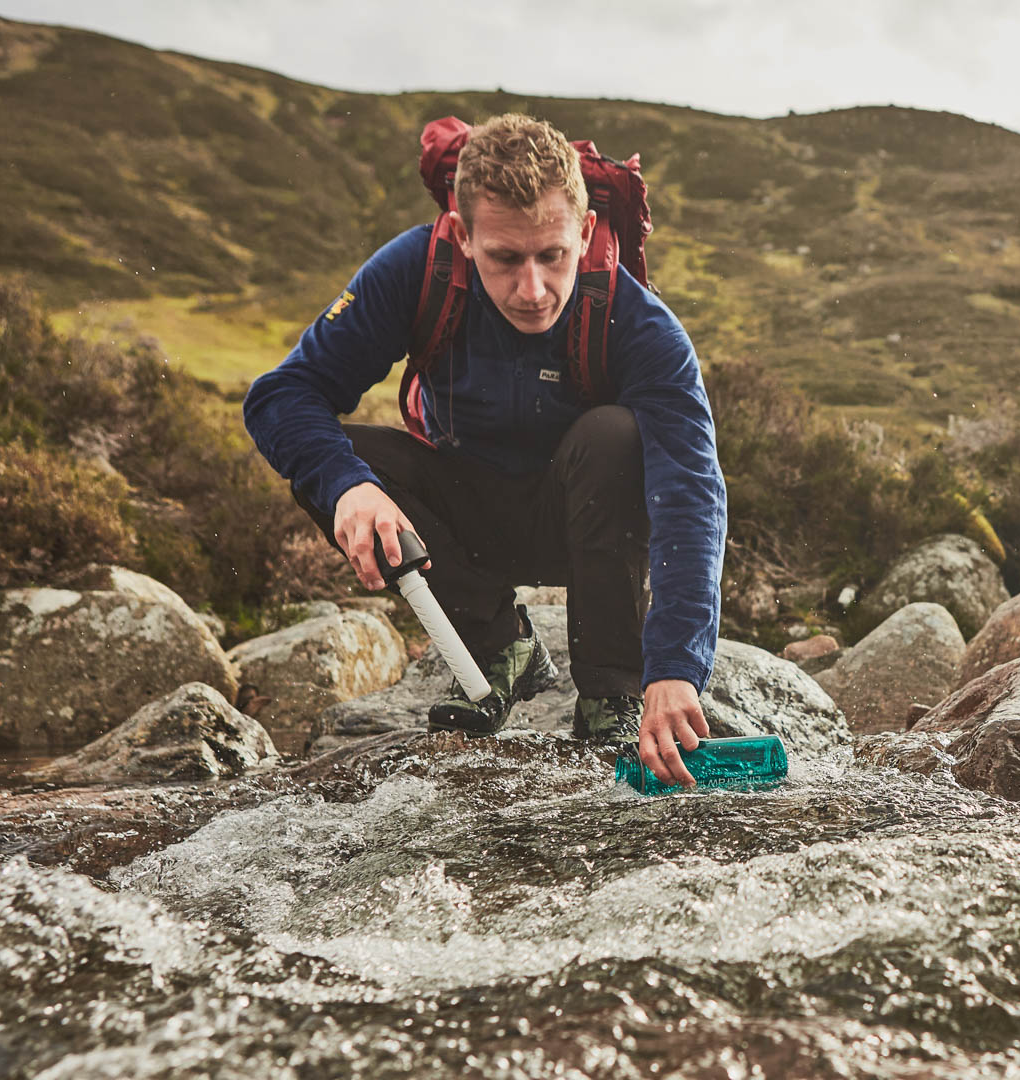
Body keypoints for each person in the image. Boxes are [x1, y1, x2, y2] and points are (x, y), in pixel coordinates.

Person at [243, 113, 725, 788]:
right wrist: (347, 486)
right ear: (464, 237)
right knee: (343, 462)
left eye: (553, 255)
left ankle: (612, 690)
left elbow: (690, 499)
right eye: (505, 258)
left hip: (585, 524)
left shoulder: (638, 322)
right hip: (462, 519)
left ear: (584, 234)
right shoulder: (415, 270)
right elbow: (282, 396)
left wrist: (674, 668)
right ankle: (499, 647)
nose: (533, 290)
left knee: (615, 436)